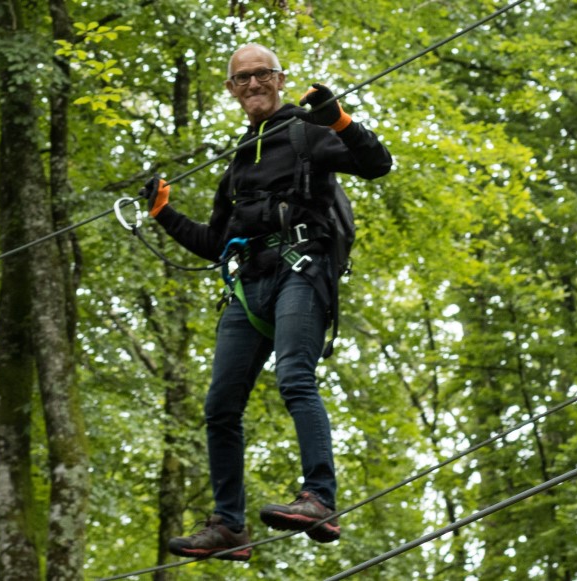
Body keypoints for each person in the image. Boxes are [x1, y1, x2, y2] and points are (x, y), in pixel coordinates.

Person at [141, 43, 393, 561]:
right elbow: (214, 244)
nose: (253, 85)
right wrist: (164, 214)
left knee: (295, 376)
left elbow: (377, 164)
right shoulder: (235, 165)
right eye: (242, 79)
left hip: (301, 269)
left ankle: (320, 498)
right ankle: (229, 527)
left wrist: (341, 121)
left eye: (263, 76)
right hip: (248, 283)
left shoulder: (306, 133)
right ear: (231, 91)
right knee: (219, 406)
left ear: (280, 80)